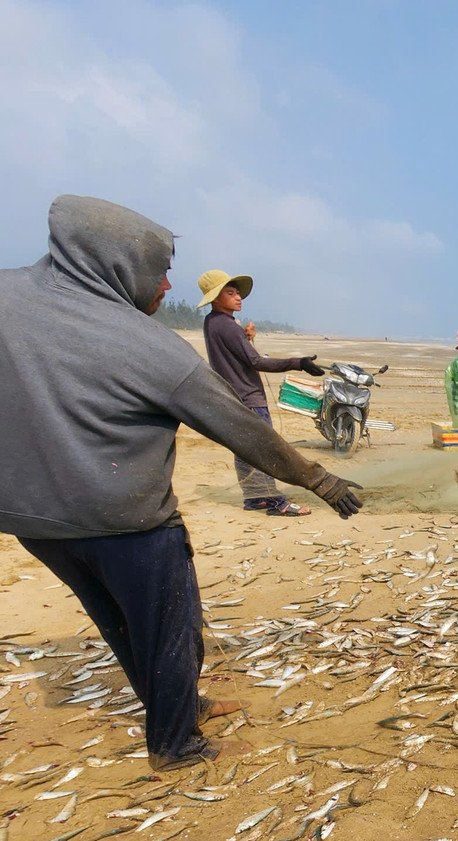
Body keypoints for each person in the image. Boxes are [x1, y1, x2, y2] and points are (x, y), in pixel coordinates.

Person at [0, 195, 364, 772]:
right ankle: (177, 745)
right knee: (171, 626)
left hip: (31, 520)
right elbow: (242, 429)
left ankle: (180, 703)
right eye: (159, 269)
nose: (167, 285)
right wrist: (317, 478)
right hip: (124, 521)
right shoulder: (147, 346)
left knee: (118, 618)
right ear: (118, 261)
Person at [199, 269, 326, 516]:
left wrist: (246, 338)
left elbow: (238, 355)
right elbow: (256, 362)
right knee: (265, 449)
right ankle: (276, 503)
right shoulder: (227, 327)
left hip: (232, 397)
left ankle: (255, 498)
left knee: (245, 450)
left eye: (238, 293)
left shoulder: (212, 323)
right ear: (215, 299)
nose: (238, 298)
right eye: (231, 293)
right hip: (249, 399)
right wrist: (298, 362)